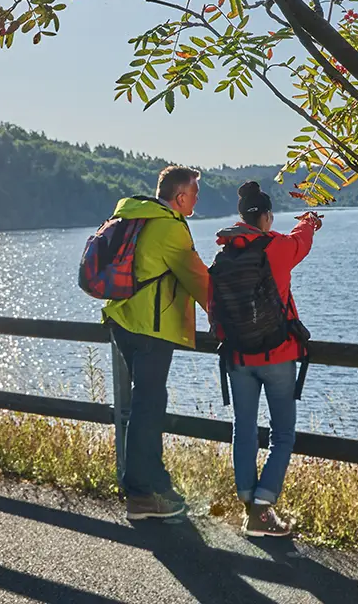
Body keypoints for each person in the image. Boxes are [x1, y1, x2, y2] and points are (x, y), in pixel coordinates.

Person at [100, 165, 212, 520]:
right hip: (151, 328)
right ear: (180, 196)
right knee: (148, 408)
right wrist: (231, 318)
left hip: (123, 320)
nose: (196, 199)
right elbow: (200, 280)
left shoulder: (138, 215)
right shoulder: (169, 227)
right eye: (194, 193)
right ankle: (141, 495)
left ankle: (157, 485)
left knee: (145, 404)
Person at [209, 181, 320, 537]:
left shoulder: (224, 256)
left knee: (243, 429)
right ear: (268, 217)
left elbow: (214, 308)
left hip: (238, 358)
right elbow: (302, 241)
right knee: (282, 434)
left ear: (242, 217)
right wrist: (309, 221)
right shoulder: (278, 247)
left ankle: (247, 502)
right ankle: (261, 509)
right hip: (277, 355)